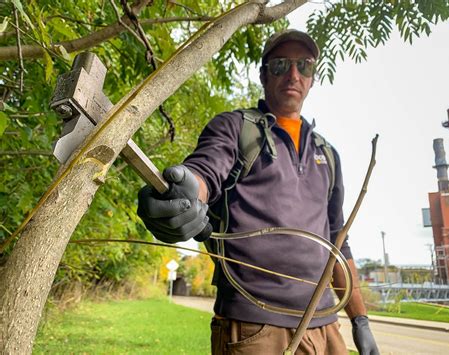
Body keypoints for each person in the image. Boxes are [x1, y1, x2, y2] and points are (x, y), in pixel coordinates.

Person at [138, 29, 379, 355]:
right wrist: (186, 191)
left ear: (312, 78)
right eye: (280, 65)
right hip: (255, 326)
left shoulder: (328, 154)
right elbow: (206, 170)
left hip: (325, 325)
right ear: (264, 74)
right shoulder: (236, 128)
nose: (293, 74)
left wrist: (360, 320)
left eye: (304, 66)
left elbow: (338, 242)